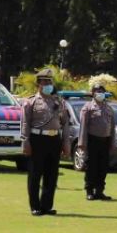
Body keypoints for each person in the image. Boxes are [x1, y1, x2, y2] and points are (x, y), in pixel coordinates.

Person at [21, 68, 69, 216]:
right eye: (45, 82)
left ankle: (46, 206)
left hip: (54, 139)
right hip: (37, 139)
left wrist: (65, 142)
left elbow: (65, 123)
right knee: (35, 174)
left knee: (51, 175)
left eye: (50, 82)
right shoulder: (31, 101)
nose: (48, 84)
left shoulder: (58, 102)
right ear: (38, 84)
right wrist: (25, 142)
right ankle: (35, 206)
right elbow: (25, 123)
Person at [78, 82, 115, 201]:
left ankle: (99, 191)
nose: (100, 93)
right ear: (93, 93)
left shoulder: (109, 108)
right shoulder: (88, 108)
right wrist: (82, 144)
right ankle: (89, 190)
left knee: (103, 167)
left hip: (105, 141)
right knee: (91, 167)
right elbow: (83, 126)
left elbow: (112, 127)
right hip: (92, 140)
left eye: (102, 91)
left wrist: (112, 142)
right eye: (97, 91)